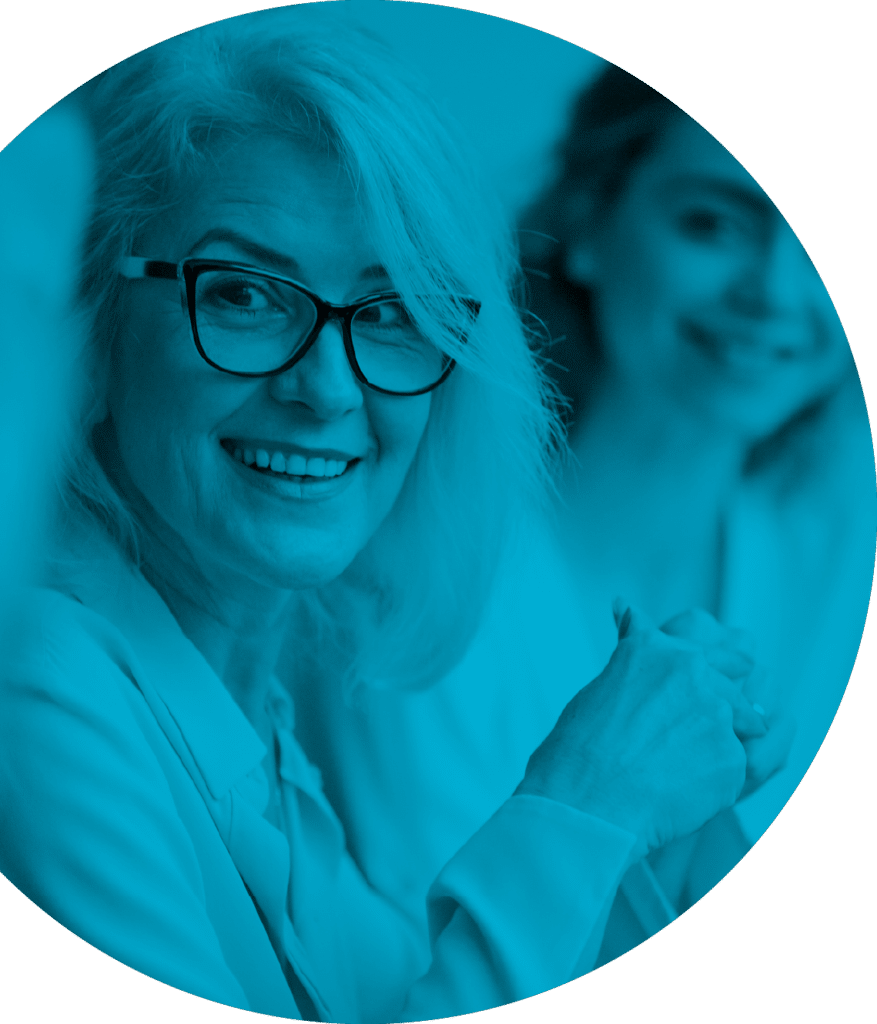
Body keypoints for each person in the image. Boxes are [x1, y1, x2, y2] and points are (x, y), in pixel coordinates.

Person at [0, 14, 779, 1020]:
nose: (328, 387)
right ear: (100, 331)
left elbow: (410, 996)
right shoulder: (41, 681)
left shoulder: (252, 727)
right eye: (245, 295)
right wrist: (588, 799)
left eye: (393, 312)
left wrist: (654, 820)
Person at [294, 61, 875, 977]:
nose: (776, 291)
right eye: (712, 224)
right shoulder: (414, 570)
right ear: (590, 220)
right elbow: (441, 962)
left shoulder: (837, 567)